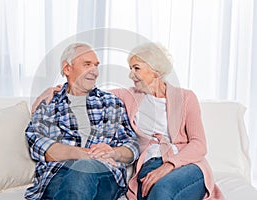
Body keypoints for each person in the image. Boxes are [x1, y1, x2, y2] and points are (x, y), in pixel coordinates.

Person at [32, 42, 224, 200]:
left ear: (155, 71)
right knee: (157, 192)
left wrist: (169, 165)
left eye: (136, 68)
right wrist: (53, 89)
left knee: (163, 191)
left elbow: (199, 144)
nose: (131, 75)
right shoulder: (129, 96)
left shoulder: (186, 97)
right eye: (130, 68)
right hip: (149, 166)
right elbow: (84, 89)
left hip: (185, 165)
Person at [25, 43, 139, 200]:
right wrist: (86, 154)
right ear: (67, 69)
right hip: (58, 173)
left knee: (84, 169)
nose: (95, 71)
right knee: (81, 173)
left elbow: (131, 146)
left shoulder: (111, 102)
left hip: (104, 173)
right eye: (87, 64)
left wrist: (114, 153)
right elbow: (40, 146)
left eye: (96, 65)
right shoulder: (49, 103)